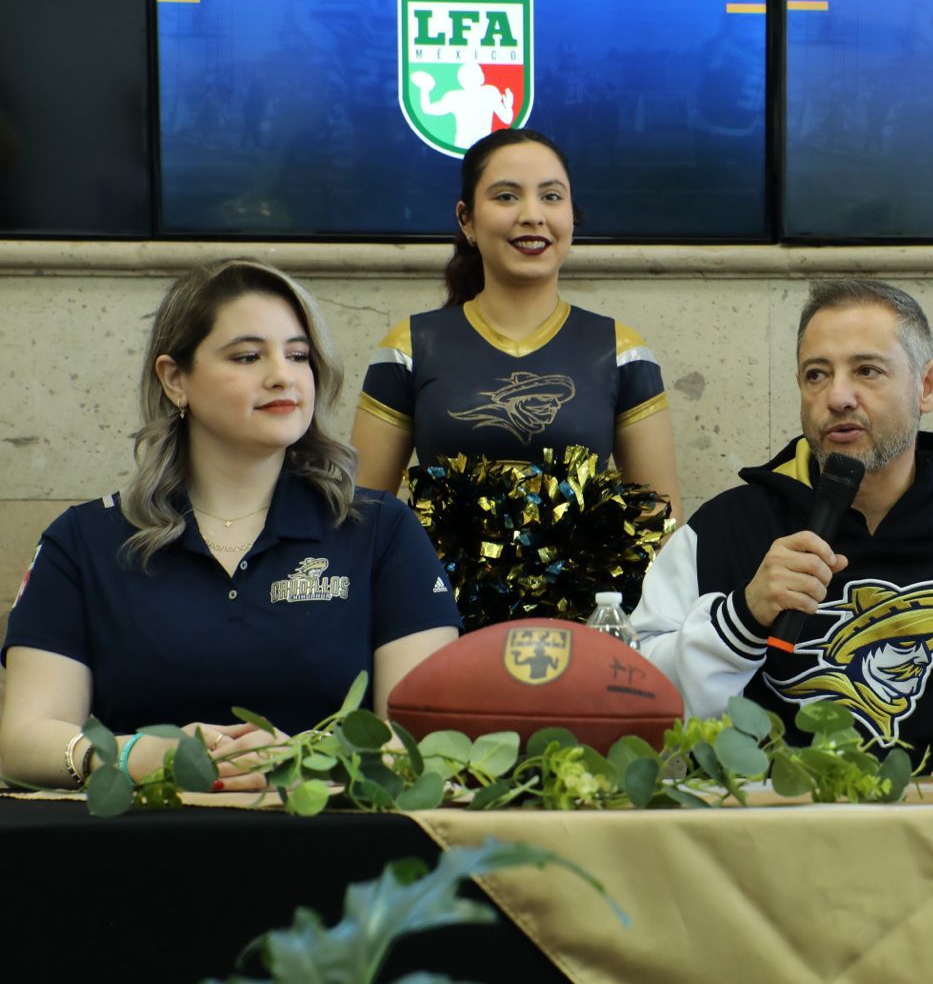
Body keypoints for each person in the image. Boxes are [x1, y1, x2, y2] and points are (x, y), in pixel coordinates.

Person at [0, 259, 461, 790]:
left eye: (298, 355)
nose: (282, 375)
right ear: (175, 379)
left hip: (327, 834)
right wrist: (133, 756)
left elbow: (425, 744)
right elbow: (24, 741)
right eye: (247, 356)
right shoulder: (83, 540)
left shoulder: (382, 530)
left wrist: (305, 759)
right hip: (137, 834)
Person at [630, 279, 933, 773]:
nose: (838, 396)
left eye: (867, 370)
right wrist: (741, 618)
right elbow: (636, 697)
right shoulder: (722, 532)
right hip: (763, 818)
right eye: (817, 375)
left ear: (927, 386)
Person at [352, 127, 683, 522]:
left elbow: (660, 515)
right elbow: (363, 511)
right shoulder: (409, 347)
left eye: (551, 196)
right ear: (467, 220)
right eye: (506, 196)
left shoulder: (621, 351)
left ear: (572, 215)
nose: (532, 215)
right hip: (429, 566)